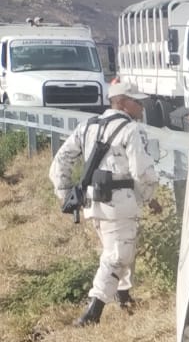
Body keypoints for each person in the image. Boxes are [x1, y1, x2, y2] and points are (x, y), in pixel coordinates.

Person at [49, 81, 162, 326]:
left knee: (121, 248)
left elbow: (61, 160)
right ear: (121, 102)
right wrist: (149, 196)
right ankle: (94, 310)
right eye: (136, 101)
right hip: (120, 204)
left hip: (93, 203)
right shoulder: (131, 130)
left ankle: (124, 297)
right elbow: (142, 172)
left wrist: (65, 194)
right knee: (118, 255)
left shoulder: (88, 126)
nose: (142, 107)